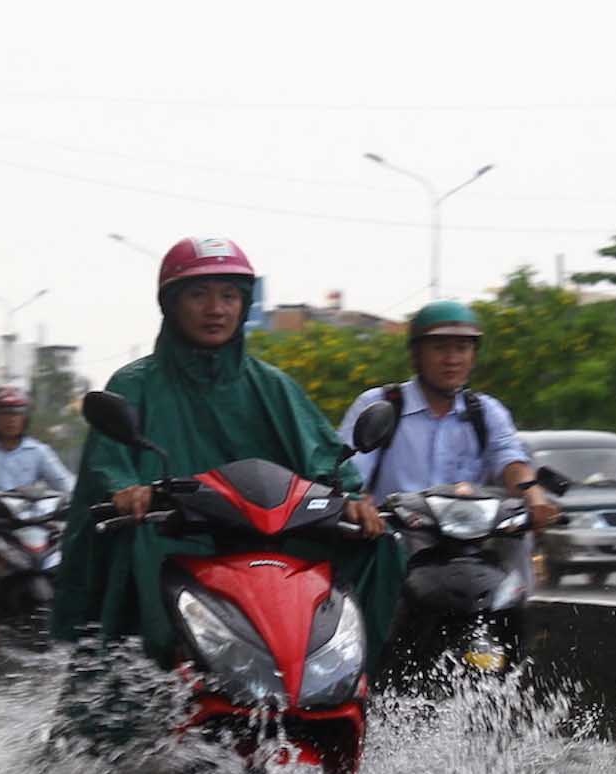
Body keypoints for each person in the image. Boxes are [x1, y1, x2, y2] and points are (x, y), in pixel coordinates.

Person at [51, 235, 402, 667]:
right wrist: (129, 489)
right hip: (173, 539)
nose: (215, 308)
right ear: (172, 304)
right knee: (131, 550)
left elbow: (323, 457)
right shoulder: (135, 384)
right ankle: (131, 696)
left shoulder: (272, 385)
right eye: (198, 294)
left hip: (266, 544)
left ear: (244, 304)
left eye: (229, 295)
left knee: (380, 544)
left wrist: (350, 499)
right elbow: (110, 462)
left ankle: (359, 678)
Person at [338, 300, 559, 529]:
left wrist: (532, 493)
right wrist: (356, 501)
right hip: (396, 544)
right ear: (416, 355)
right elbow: (350, 471)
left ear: (473, 357)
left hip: (471, 544)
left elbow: (509, 458)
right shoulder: (380, 403)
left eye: (462, 348)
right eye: (440, 348)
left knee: (519, 547)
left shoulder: (486, 412)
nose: (452, 360)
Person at [0, 385, 75, 604]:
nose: (11, 420)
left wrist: (78, 500)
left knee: (68, 539)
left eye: (17, 414)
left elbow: (64, 482)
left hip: (33, 520)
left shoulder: (39, 450)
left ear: (25, 418)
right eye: (5, 414)